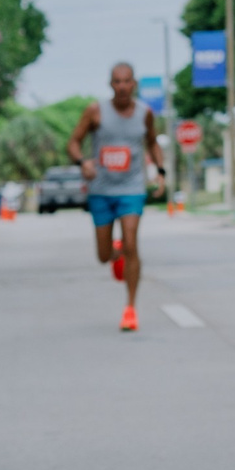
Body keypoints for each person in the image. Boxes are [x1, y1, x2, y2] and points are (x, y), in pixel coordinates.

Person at [67, 61, 164, 332]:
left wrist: (161, 171)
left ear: (134, 84)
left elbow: (153, 142)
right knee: (103, 255)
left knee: (133, 242)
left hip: (132, 188)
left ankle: (130, 308)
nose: (122, 86)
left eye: (127, 81)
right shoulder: (95, 111)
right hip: (100, 190)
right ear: (111, 84)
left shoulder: (145, 113)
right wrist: (82, 162)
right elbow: (73, 142)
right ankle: (116, 251)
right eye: (117, 81)